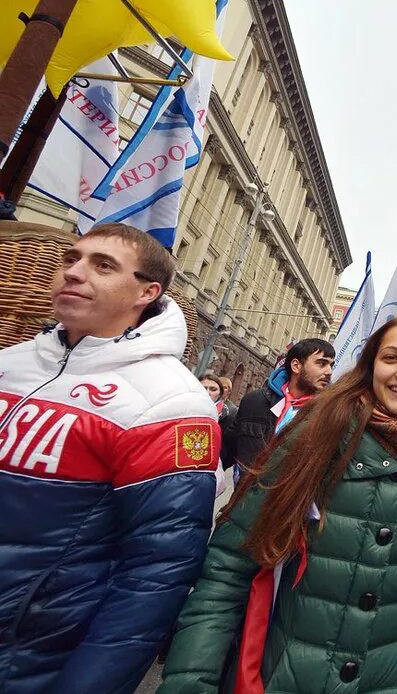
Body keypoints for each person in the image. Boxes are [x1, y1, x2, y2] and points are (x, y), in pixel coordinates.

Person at [159, 316, 397, 692]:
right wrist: (190, 683)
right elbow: (228, 570)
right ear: (370, 366)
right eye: (391, 358)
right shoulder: (313, 437)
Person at [0, 223, 219, 694]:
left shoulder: (172, 403)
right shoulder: (12, 361)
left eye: (103, 266)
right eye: (71, 260)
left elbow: (157, 573)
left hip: (30, 659)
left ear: (147, 291)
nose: (75, 273)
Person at [233, 337, 334, 471]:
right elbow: (228, 448)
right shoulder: (255, 401)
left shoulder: (329, 414)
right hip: (245, 489)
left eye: (331, 365)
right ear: (296, 366)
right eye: (321, 363)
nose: (329, 372)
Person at [200, 372, 239, 469]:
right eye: (203, 388)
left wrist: (219, 465)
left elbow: (231, 446)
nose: (207, 392)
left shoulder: (230, 413)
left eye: (213, 389)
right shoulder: (183, 408)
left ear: (220, 394)